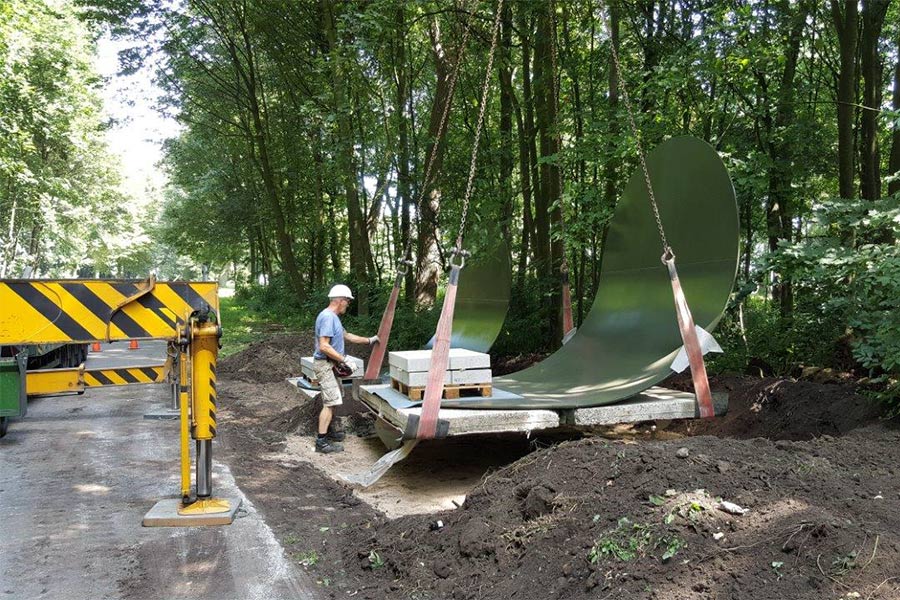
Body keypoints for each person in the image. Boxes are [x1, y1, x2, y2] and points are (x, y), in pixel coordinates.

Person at [313, 284, 378, 453]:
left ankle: (329, 432)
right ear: (340, 301)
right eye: (347, 302)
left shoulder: (333, 318)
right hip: (325, 365)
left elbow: (347, 336)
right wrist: (344, 360)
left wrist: (369, 340)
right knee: (331, 402)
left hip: (331, 364)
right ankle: (321, 442)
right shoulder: (327, 317)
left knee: (335, 399)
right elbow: (324, 346)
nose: (348, 305)